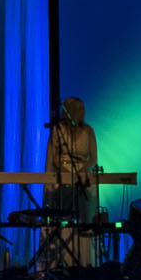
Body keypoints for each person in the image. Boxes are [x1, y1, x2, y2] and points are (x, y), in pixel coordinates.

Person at [42, 96, 99, 269]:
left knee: (82, 215)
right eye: (79, 109)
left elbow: (93, 157)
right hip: (62, 174)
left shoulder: (88, 130)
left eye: (83, 109)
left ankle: (82, 262)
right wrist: (65, 170)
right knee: (63, 214)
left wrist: (82, 171)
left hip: (82, 174)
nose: (82, 112)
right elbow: (53, 156)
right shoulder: (58, 130)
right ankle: (61, 260)